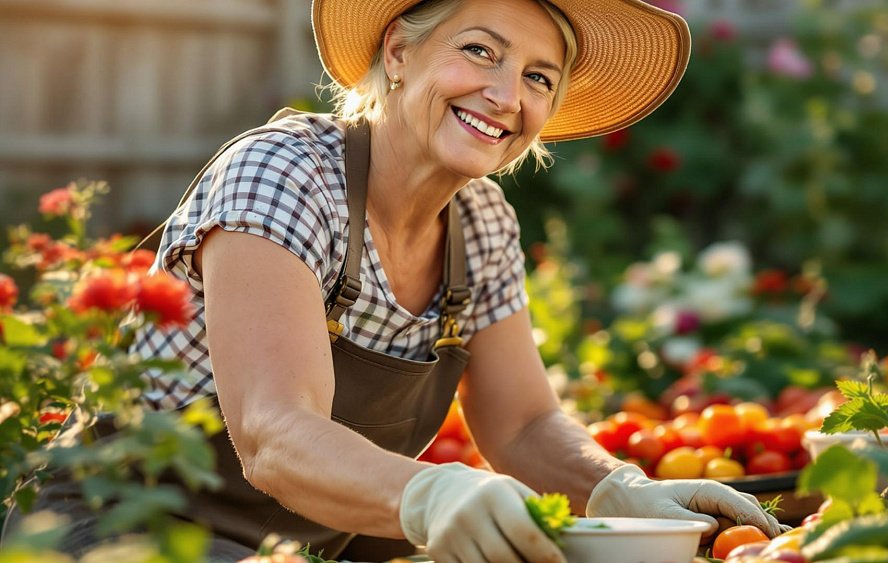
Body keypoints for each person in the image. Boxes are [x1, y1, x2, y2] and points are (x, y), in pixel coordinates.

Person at [3, 0, 786, 561]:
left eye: (539, 77)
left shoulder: (481, 222)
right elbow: (275, 433)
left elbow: (522, 427)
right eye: (480, 50)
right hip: (128, 535)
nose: (508, 96)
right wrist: (431, 492)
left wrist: (618, 488)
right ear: (399, 52)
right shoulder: (283, 173)